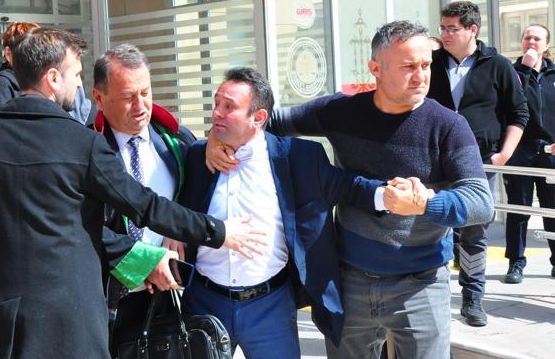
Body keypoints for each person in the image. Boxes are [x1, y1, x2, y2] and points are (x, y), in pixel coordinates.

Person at [0, 27, 267, 359]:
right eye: (75, 74)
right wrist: (219, 232)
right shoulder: (83, 142)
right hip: (71, 324)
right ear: (53, 78)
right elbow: (145, 206)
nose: (79, 84)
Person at [207, 21, 494, 358]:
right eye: (408, 67)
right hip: (350, 281)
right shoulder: (341, 111)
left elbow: (481, 203)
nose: (421, 76)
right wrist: (217, 136)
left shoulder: (449, 126)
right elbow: (264, 120)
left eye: (426, 65)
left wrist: (425, 203)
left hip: (422, 283)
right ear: (375, 68)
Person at [180, 67, 426, 358]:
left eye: (229, 107)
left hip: (270, 307)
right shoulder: (197, 156)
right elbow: (172, 207)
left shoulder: (298, 158)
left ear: (258, 117)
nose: (216, 113)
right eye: (216, 103)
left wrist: (390, 196)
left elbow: (347, 186)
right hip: (205, 302)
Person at [428, 1, 528, 326]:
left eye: (452, 28)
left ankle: (472, 298)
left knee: (473, 230)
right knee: (432, 226)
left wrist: (503, 155)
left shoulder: (497, 65)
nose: (445, 34)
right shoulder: (430, 64)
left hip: (479, 162)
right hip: (434, 159)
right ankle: (433, 296)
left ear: (472, 29)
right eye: (443, 28)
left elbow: (519, 113)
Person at [91, 44, 196, 354]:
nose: (140, 105)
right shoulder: (87, 150)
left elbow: (199, 198)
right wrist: (142, 263)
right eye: (128, 97)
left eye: (146, 93)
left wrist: (178, 226)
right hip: (113, 300)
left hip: (171, 298)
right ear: (99, 98)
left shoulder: (177, 141)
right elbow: (84, 228)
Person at [502, 24, 555, 282]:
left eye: (537, 38)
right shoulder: (511, 73)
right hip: (520, 153)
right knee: (519, 209)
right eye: (527, 37)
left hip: (553, 153)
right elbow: (508, 104)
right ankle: (516, 263)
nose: (531, 41)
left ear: (546, 45)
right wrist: (525, 69)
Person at [0, 22, 93, 123]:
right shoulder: (0, 87)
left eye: (40, 47)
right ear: (8, 54)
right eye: (25, 48)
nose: (33, 54)